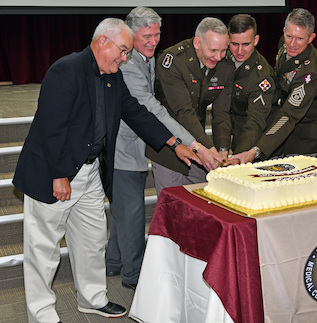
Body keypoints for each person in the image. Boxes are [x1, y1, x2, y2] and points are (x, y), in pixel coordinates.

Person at [12, 18, 199, 323]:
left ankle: (92, 298)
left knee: (92, 239)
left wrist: (174, 142)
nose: (125, 58)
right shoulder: (66, 70)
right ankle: (41, 313)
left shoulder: (113, 77)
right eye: (123, 50)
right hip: (54, 172)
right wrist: (59, 175)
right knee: (43, 247)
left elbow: (136, 112)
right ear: (103, 42)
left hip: (89, 173)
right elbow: (50, 127)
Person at [106, 7, 221, 290]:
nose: (153, 41)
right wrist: (192, 143)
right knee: (132, 213)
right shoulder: (128, 65)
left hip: (139, 143)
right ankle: (133, 277)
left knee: (124, 209)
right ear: (130, 34)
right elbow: (153, 109)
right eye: (146, 35)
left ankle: (113, 262)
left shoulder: (147, 59)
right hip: (123, 148)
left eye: (157, 34)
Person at [146, 17, 234, 196]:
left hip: (198, 142)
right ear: (197, 43)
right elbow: (184, 112)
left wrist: (223, 150)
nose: (218, 57)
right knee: (172, 207)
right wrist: (209, 149)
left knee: (201, 204)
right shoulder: (172, 61)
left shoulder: (225, 66)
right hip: (168, 146)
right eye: (213, 50)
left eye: (224, 50)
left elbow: (222, 112)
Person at [228, 8, 317, 164]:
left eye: (300, 39)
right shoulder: (284, 43)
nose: (292, 44)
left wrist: (256, 150)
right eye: (289, 36)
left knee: (295, 183)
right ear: (284, 31)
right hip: (283, 127)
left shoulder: (309, 73)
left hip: (305, 135)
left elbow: (289, 115)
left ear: (311, 38)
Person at [227, 14, 276, 154]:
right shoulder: (223, 58)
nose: (240, 51)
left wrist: (240, 156)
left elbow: (255, 121)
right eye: (234, 44)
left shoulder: (261, 77)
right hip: (235, 130)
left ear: (256, 40)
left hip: (257, 140)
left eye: (246, 44)